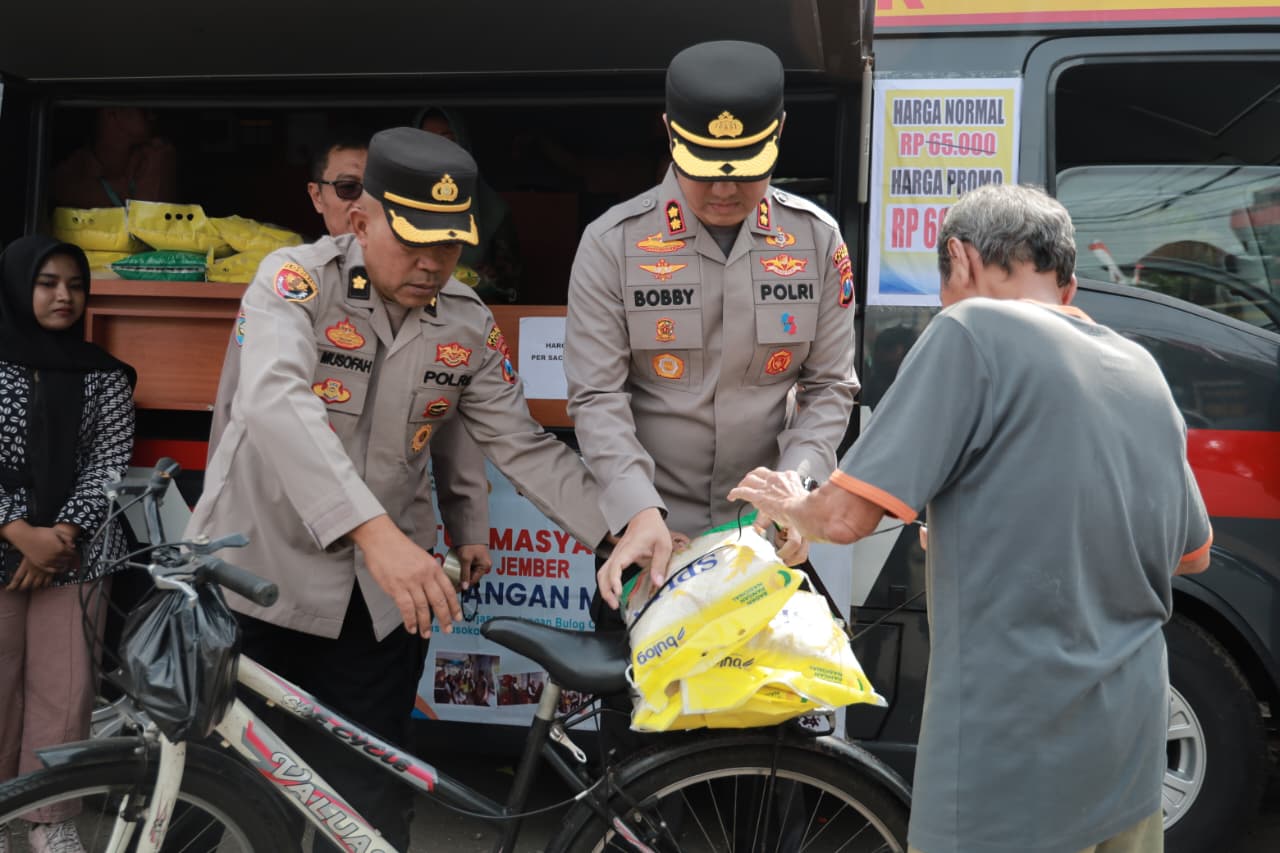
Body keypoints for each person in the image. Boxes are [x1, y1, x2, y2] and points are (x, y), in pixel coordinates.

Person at [187, 126, 646, 852]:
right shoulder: (293, 282)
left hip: (373, 611)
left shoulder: (466, 319)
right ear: (361, 219)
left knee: (365, 805)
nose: (433, 263)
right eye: (413, 240)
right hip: (256, 580)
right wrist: (378, 537)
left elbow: (521, 444)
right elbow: (275, 400)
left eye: (451, 243)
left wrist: (626, 529)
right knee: (223, 796)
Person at [728, 183, 1213, 853]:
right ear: (1067, 284)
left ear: (959, 258)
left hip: (1015, 759)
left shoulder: (972, 328)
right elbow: (1191, 554)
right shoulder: (1141, 369)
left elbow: (842, 518)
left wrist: (789, 501)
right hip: (1130, 751)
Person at [566, 39, 859, 606]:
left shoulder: (816, 240)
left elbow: (829, 387)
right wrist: (636, 509)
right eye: (705, 169)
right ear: (671, 134)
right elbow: (598, 395)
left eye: (745, 170)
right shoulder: (613, 243)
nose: (725, 189)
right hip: (652, 538)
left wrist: (792, 491)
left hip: (766, 540)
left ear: (778, 134)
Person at [212, 128, 494, 585]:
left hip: (392, 564)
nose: (362, 201)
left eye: (376, 190)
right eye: (348, 189)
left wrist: (469, 524)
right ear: (317, 196)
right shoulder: (292, 281)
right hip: (280, 550)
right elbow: (246, 411)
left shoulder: (434, 291)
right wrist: (221, 498)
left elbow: (451, 411)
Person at [0, 235, 136, 853]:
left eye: (76, 285)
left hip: (76, 554)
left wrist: (60, 534)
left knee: (67, 688)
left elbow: (109, 460)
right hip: (5, 541)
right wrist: (16, 529)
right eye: (48, 282)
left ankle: (50, 818)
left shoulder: (103, 374)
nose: (64, 296)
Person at [415, 107, 521, 302]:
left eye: (447, 139)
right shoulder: (397, 202)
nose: (437, 149)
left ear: (462, 144)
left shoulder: (492, 208)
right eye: (426, 140)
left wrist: (478, 280)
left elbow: (509, 283)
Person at [51, 107, 178, 209]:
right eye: (143, 108)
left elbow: (152, 224)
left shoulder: (155, 156)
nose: (152, 116)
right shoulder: (71, 174)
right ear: (112, 113)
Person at [305, 130, 369, 240]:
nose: (366, 202)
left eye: (376, 190)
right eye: (349, 187)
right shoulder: (289, 257)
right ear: (317, 196)